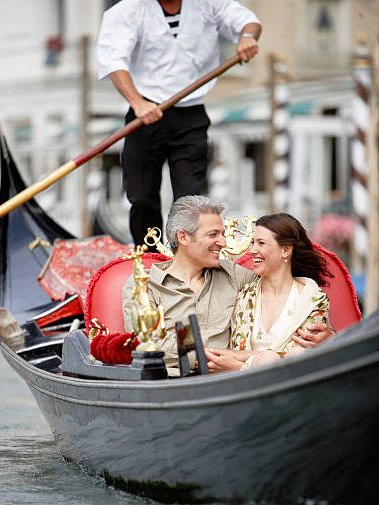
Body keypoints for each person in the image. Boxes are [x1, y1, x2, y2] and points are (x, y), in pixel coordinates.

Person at [97, 0, 262, 247]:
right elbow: (115, 61)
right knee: (142, 197)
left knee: (189, 201)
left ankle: (185, 263)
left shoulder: (207, 3)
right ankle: (148, 257)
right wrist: (138, 103)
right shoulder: (128, 10)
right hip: (145, 114)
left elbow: (247, 21)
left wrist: (247, 37)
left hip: (191, 115)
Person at [122, 197, 334, 375]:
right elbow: (145, 345)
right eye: (213, 235)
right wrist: (212, 356)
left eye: (222, 234)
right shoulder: (143, 285)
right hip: (170, 388)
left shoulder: (234, 275)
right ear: (183, 237)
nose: (223, 242)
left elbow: (285, 296)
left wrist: (328, 337)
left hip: (229, 382)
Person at [204, 212, 333, 372]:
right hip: (247, 387)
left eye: (261, 243)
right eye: (252, 243)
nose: (252, 251)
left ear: (285, 250)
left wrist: (241, 365)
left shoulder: (312, 298)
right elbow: (237, 350)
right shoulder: (246, 296)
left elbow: (298, 358)